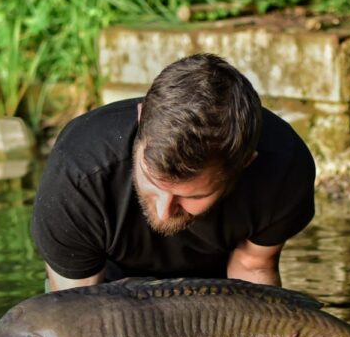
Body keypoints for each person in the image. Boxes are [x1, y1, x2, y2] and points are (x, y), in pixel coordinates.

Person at [31, 53, 316, 292]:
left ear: (244, 164)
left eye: (192, 195)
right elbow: (76, 310)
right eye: (152, 180)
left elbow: (252, 267)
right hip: (104, 284)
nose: (164, 210)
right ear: (141, 118)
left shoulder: (283, 168)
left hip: (217, 290)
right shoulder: (78, 173)